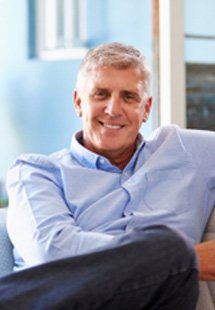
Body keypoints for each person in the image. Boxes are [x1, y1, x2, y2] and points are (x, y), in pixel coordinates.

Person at [1, 41, 215, 309]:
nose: (113, 109)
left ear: (146, 109)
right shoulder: (37, 172)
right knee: (168, 245)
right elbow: (51, 253)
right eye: (101, 94)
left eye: (129, 97)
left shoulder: (187, 150)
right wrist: (183, 260)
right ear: (79, 102)